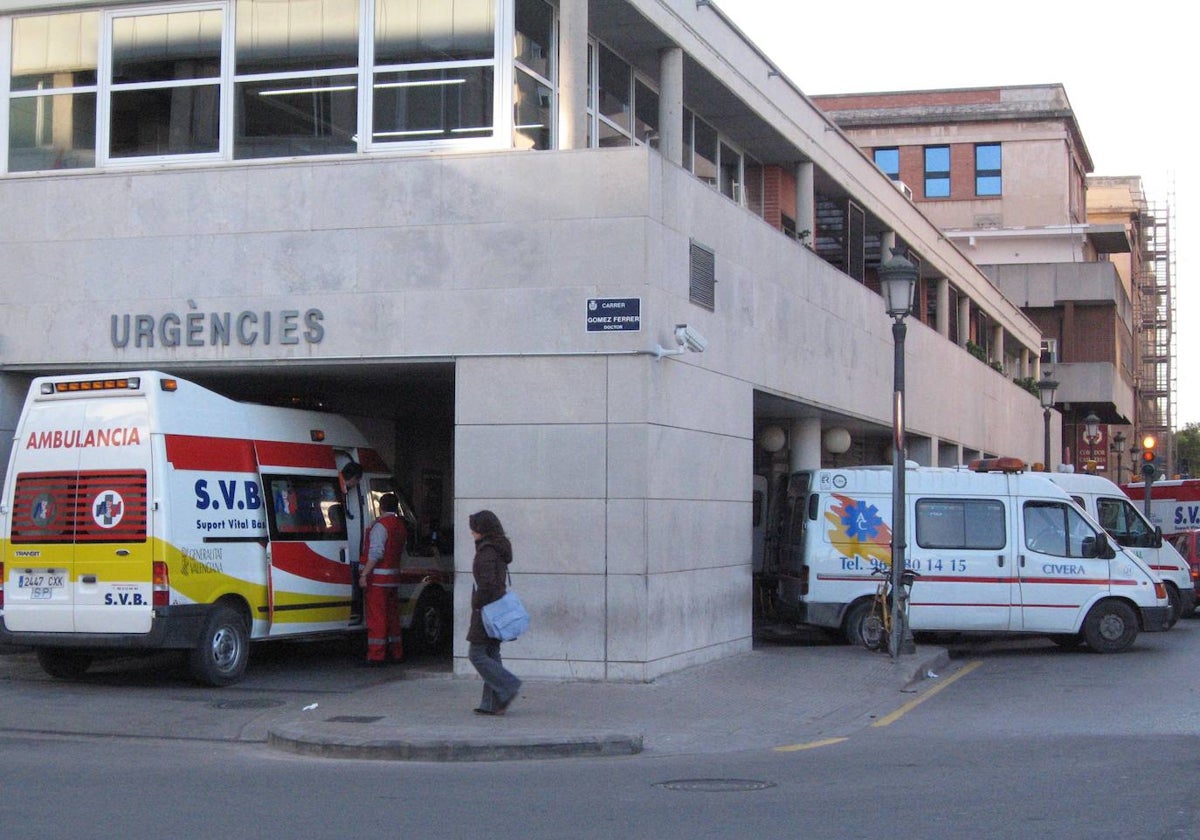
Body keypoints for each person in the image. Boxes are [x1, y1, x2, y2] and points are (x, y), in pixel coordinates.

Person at [467, 509, 522, 715]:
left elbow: (488, 584)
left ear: (482, 529)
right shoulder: (497, 548)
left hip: (487, 610)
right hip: (495, 608)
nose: (471, 532)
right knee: (491, 652)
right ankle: (493, 704)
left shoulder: (487, 551)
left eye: (473, 528)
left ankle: (508, 686)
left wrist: (478, 603)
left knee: (476, 654)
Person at [359, 492, 405, 666]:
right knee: (393, 617)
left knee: (377, 618)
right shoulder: (399, 525)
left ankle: (376, 656)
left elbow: (376, 553)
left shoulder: (380, 526)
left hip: (377, 579)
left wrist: (364, 574)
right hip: (393, 578)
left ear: (381, 506)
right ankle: (396, 652)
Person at [340, 462, 365, 623]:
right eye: (357, 481)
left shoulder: (340, 486)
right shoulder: (339, 488)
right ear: (354, 478)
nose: (357, 485)